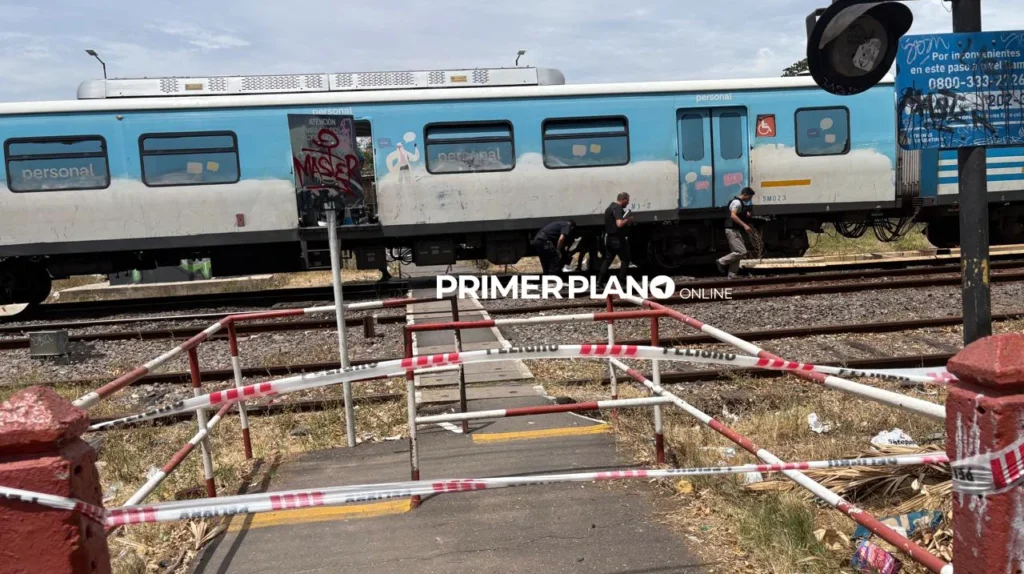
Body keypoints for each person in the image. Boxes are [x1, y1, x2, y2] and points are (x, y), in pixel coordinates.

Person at [716, 187, 755, 279]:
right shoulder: (737, 202)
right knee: (742, 252)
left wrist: (746, 215)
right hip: (732, 230)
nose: (750, 199)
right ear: (745, 194)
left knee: (736, 253)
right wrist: (745, 225)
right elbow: (733, 216)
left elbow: (737, 214)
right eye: (749, 197)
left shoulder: (740, 203)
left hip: (735, 230)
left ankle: (732, 275)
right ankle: (721, 261)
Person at [598, 192, 635, 287]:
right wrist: (628, 220)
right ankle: (622, 281)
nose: (628, 202)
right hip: (618, 239)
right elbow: (619, 224)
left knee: (608, 259)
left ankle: (600, 280)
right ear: (623, 199)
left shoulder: (609, 208)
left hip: (609, 239)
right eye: (627, 200)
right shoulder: (618, 208)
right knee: (625, 259)